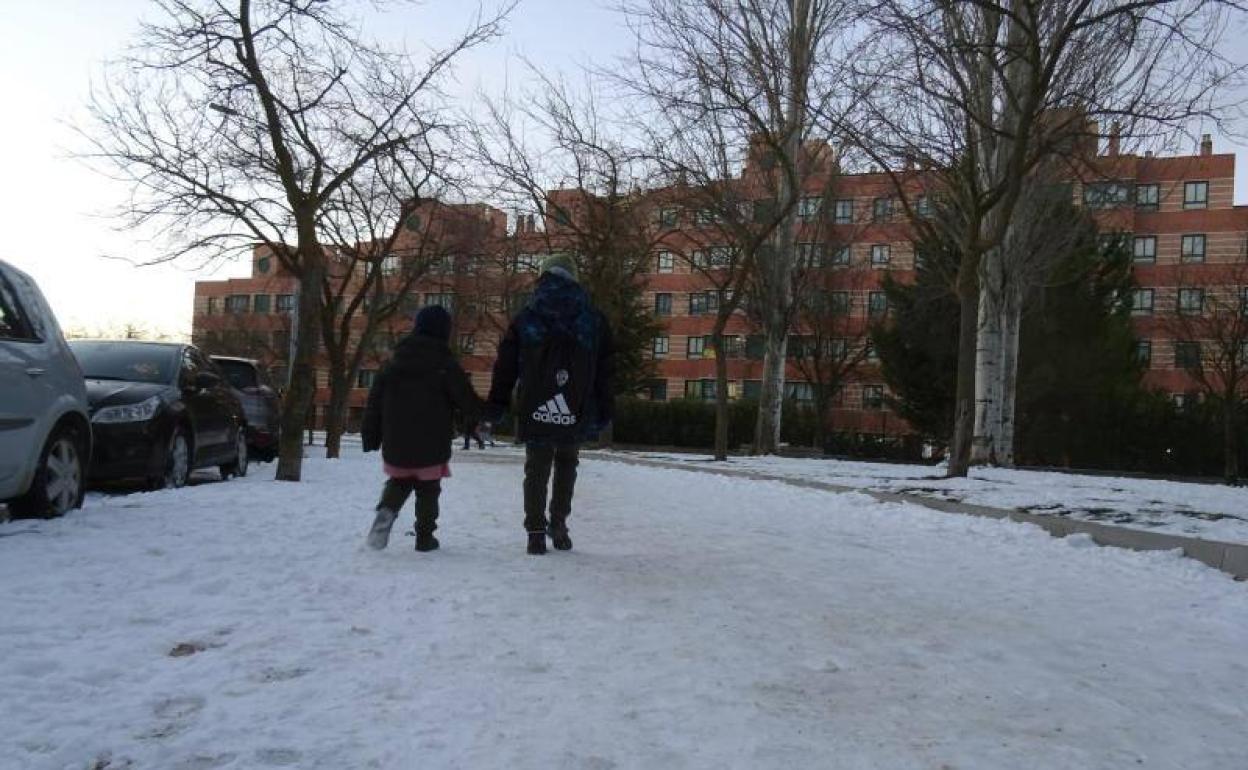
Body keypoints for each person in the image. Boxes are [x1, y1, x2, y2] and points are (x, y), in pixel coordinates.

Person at [485, 254, 614, 555]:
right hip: (576, 404)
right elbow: (606, 370)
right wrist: (605, 407)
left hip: (535, 403)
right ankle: (559, 523)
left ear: (543, 276)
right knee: (567, 463)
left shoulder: (527, 316)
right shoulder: (593, 320)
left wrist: (497, 403)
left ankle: (535, 531)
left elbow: (505, 366)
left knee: (537, 467)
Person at [361, 305, 482, 552]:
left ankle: (386, 510)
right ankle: (425, 537)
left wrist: (371, 435)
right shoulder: (445, 363)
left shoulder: (394, 361)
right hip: (432, 442)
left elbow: (375, 402)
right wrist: (485, 413)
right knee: (428, 489)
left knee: (399, 481)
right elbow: (465, 398)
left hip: (397, 439)